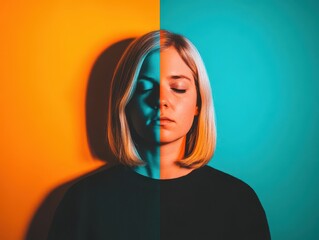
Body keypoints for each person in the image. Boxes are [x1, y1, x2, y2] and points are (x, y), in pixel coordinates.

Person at [48, 30, 271, 240]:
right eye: (145, 88)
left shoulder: (238, 201)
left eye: (179, 88)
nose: (161, 100)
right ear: (126, 103)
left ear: (198, 104)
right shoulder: (83, 202)